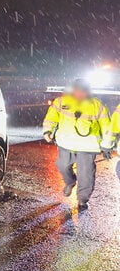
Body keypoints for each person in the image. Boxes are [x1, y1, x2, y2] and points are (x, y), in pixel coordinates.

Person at [42, 78, 112, 210]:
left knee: (86, 175)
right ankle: (70, 182)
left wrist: (107, 145)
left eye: (82, 91)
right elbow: (51, 118)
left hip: (88, 146)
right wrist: (47, 131)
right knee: (62, 166)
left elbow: (107, 127)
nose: (79, 93)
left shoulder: (97, 106)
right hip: (65, 144)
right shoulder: (61, 101)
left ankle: (82, 200)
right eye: (77, 90)